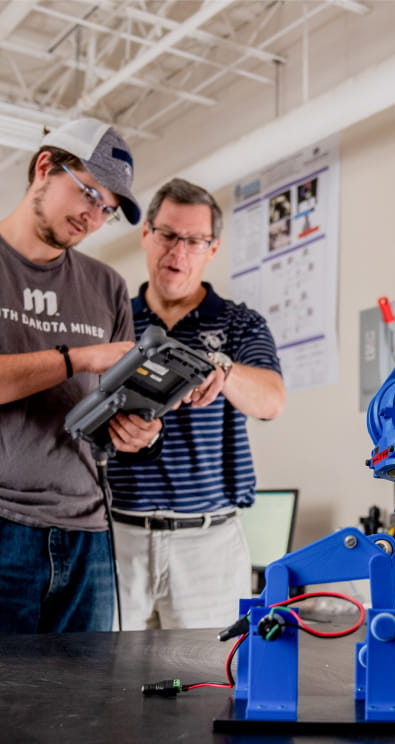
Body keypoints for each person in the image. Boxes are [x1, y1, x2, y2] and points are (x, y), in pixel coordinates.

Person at [0, 118, 163, 638]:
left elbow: (109, 413)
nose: (94, 214)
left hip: (87, 538)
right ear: (45, 167)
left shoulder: (107, 286)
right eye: (89, 192)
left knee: (79, 719)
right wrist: (77, 358)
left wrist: (137, 433)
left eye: (108, 208)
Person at [107, 178, 285, 629]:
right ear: (146, 235)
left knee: (210, 679)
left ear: (212, 249)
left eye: (194, 240)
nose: (178, 251)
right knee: (104, 681)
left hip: (209, 543)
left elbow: (270, 401)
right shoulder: (111, 318)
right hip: (117, 536)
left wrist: (221, 372)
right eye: (168, 235)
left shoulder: (239, 323)